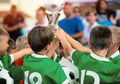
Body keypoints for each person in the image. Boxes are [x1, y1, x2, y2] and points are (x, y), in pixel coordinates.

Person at [55, 26, 120, 83]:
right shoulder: (113, 67)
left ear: (112, 44)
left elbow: (70, 49)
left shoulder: (84, 58)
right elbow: (80, 47)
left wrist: (61, 35)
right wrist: (62, 32)